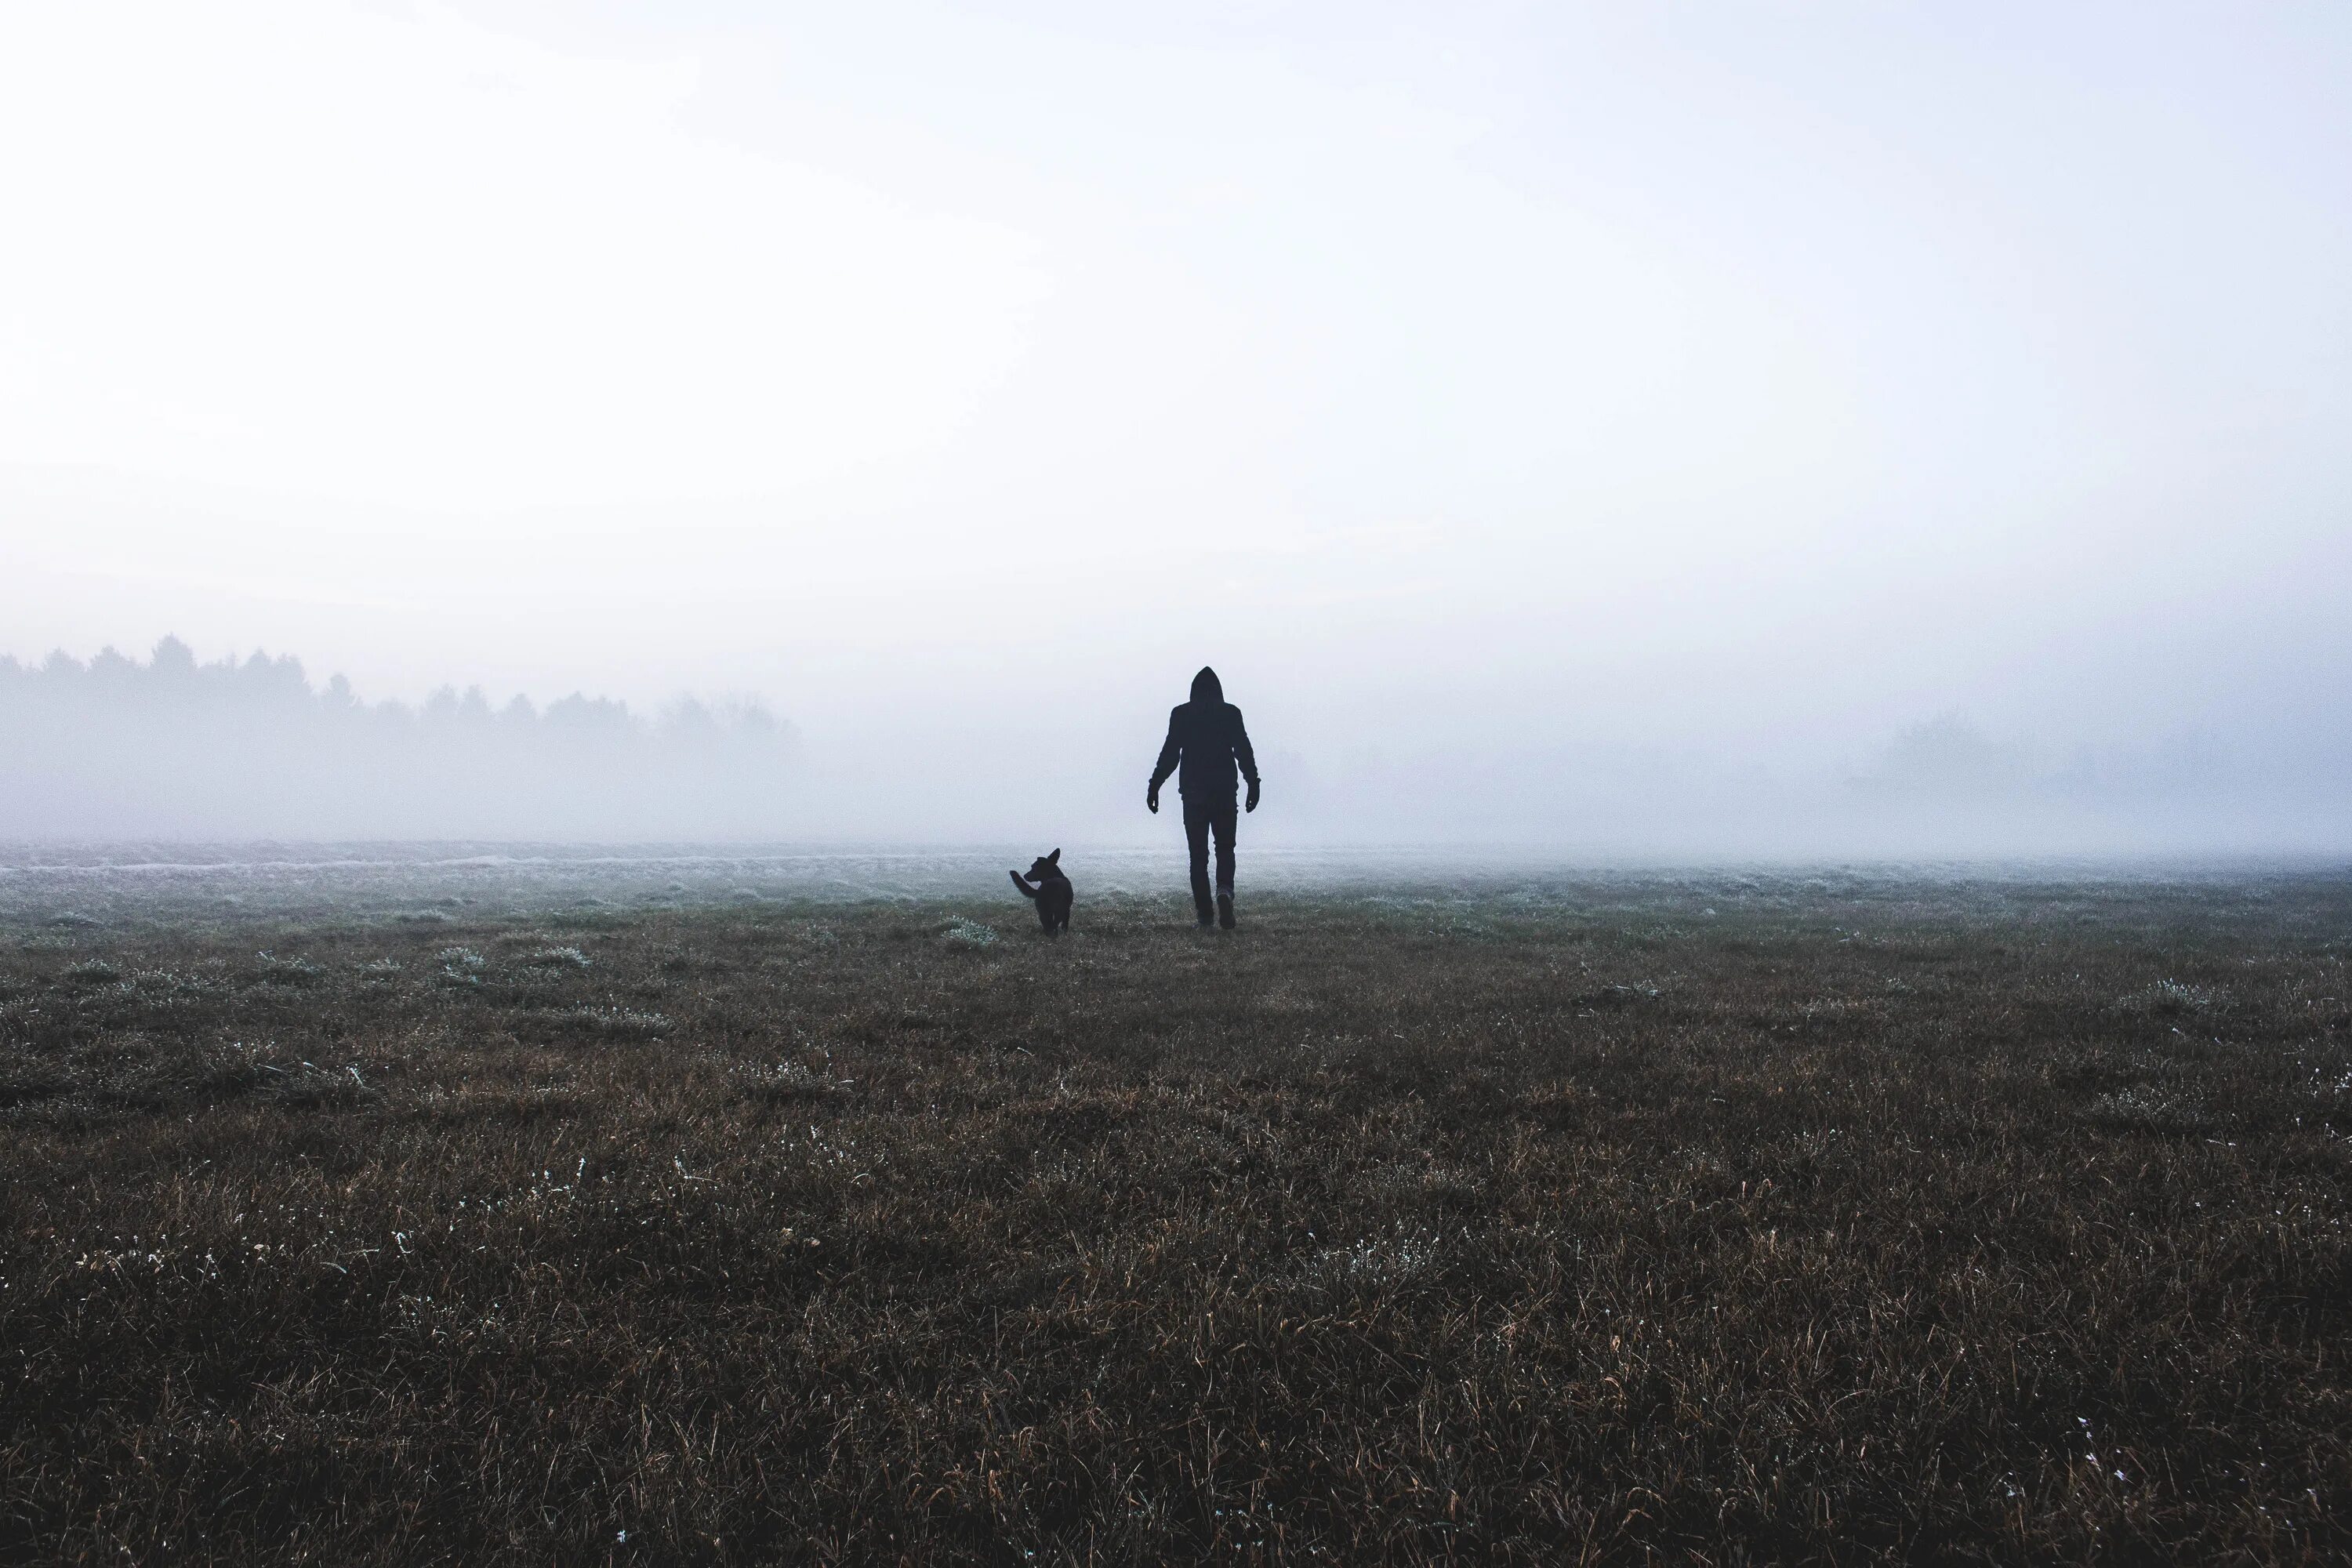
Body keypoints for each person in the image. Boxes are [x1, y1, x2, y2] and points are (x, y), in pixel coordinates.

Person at [1147, 666, 1261, 928]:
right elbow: (1243, 750)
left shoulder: (1182, 715)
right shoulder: (1231, 714)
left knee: (1198, 857)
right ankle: (1224, 891)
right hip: (1224, 793)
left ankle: (1205, 916)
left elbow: (1170, 755)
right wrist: (1253, 783)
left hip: (1194, 794)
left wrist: (1155, 784)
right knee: (1225, 849)